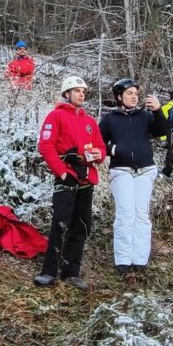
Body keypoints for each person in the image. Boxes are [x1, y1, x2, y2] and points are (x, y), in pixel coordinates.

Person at [35, 75, 104, 289]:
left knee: (81, 226)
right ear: (67, 94)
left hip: (86, 178)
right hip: (67, 178)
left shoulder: (90, 121)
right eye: (76, 91)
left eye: (83, 91)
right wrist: (62, 172)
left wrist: (92, 155)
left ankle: (71, 272)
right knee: (61, 223)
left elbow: (101, 149)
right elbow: (46, 146)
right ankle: (49, 271)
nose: (81, 94)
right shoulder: (55, 116)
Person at [99, 78, 167, 277]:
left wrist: (158, 110)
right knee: (125, 214)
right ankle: (123, 260)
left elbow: (163, 131)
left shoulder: (145, 116)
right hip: (121, 171)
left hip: (145, 170)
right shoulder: (109, 119)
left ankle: (140, 259)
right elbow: (97, 143)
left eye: (136, 94)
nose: (134, 97)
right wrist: (114, 149)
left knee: (141, 215)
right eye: (129, 93)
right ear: (119, 96)